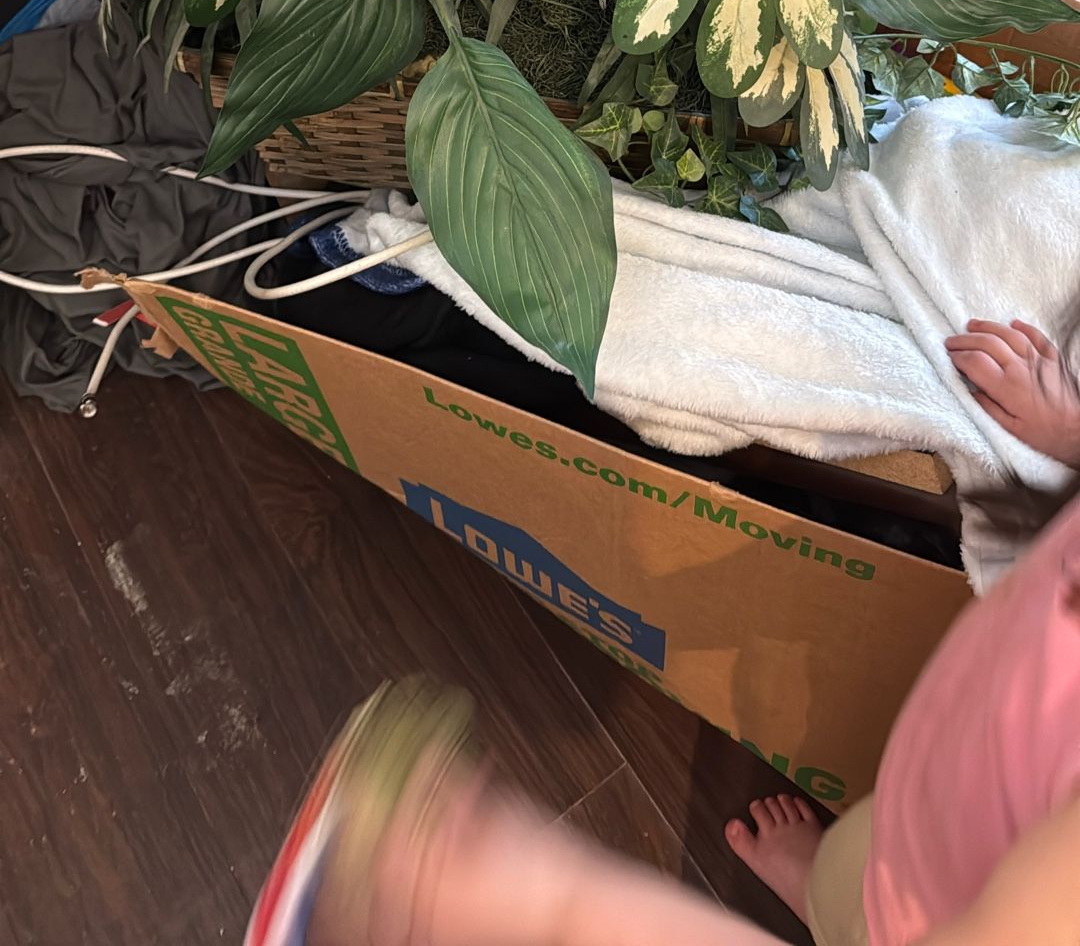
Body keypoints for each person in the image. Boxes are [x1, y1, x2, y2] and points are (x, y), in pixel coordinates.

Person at [297, 321, 1080, 946]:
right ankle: (836, 893)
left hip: (943, 903)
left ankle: (845, 915)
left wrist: (554, 905)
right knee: (879, 853)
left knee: (880, 908)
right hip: (949, 806)